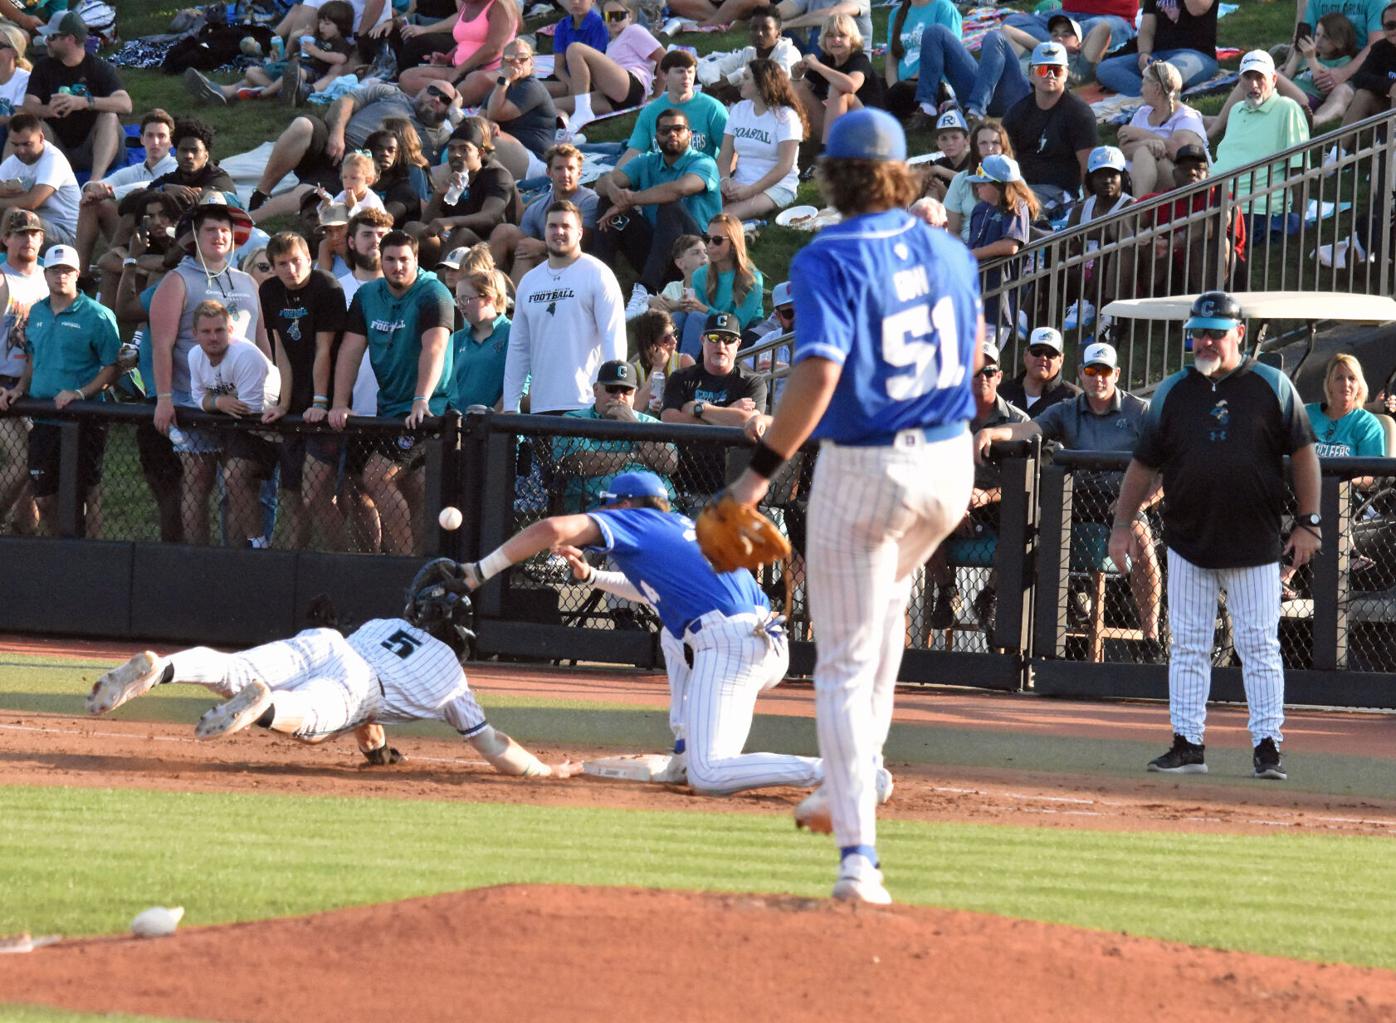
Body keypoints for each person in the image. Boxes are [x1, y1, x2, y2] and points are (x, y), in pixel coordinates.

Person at [725, 110, 978, 904]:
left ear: (831, 175)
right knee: (885, 622)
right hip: (949, 458)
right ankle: (852, 777)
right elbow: (970, 357)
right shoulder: (948, 247)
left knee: (839, 661)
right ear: (904, 173)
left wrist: (757, 475)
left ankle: (858, 859)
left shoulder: (827, 252)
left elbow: (820, 372)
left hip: (869, 463)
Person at [457, 469, 835, 797]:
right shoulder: (680, 528)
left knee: (711, 775)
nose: (600, 514)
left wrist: (477, 572)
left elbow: (551, 528)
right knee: (674, 635)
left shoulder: (635, 521)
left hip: (731, 645)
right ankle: (685, 750)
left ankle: (839, 773)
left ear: (624, 506)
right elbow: (654, 591)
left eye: (605, 507)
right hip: (759, 643)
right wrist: (591, 576)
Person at [84, 565, 579, 779]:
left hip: (329, 643)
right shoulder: (453, 676)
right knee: (310, 723)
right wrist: (543, 769)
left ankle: (162, 668)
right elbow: (491, 744)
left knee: (234, 668)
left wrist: (378, 749)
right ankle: (265, 707)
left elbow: (366, 721)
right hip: (361, 687)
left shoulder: (386, 623)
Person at [1109, 290, 1321, 781]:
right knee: (1186, 644)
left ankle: (1268, 746)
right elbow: (1143, 465)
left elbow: (1305, 453)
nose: (1205, 341)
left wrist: (1309, 522)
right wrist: (1121, 525)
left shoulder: (1272, 384)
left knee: (1259, 645)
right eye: (1198, 333)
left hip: (1255, 542)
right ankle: (1187, 744)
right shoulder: (1172, 391)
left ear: (1239, 335)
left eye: (1216, 333)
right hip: (1187, 539)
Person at [975, 341, 1163, 659]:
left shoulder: (1140, 411)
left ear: (1116, 374)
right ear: (1081, 373)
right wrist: (990, 434)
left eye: (1104, 371)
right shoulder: (1066, 409)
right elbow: (1028, 429)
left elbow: (1167, 465)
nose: (1098, 378)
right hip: (1072, 498)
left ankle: (1151, 638)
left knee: (1143, 543)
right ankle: (1003, 613)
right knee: (1024, 521)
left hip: (1124, 500)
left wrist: (1140, 504)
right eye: (1091, 370)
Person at [149, 195, 267, 547]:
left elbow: (262, 340)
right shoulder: (177, 280)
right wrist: (165, 398)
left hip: (244, 403)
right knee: (197, 481)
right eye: (210, 230)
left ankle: (234, 559)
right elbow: (162, 345)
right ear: (196, 237)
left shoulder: (248, 282)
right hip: (192, 402)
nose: (219, 236)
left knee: (239, 482)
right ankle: (197, 558)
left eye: (224, 230)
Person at [329, 230, 454, 556]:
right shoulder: (367, 296)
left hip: (426, 410)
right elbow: (350, 350)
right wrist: (340, 402)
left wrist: (420, 400)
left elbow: (435, 347)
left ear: (415, 260)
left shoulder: (433, 293)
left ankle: (406, 563)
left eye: (404, 260)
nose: (398, 266)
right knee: (396, 487)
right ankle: (389, 559)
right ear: (380, 261)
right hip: (387, 408)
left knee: (378, 476)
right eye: (390, 260)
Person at [0, 242, 119, 537]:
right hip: (44, 417)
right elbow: (33, 356)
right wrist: (21, 387)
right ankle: (61, 548)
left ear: (77, 273)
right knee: (44, 495)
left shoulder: (98, 316)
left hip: (84, 418)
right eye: (54, 270)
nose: (60, 276)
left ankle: (92, 553)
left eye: (66, 270)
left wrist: (81, 393)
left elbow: (112, 367)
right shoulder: (37, 313)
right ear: (46, 274)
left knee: (87, 492)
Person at [924, 339, 1027, 636]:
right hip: (954, 501)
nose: (982, 377)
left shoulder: (1019, 422)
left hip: (1000, 502)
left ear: (999, 376)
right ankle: (947, 591)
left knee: (1025, 519)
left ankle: (989, 597)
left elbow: (1028, 483)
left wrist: (985, 496)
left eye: (989, 371)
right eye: (975, 371)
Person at [247, 79, 459, 214]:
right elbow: (344, 102)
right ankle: (262, 192)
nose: (436, 99)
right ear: (422, 89)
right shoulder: (390, 92)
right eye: (433, 91)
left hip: (353, 170)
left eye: (445, 100)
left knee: (305, 194)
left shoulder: (439, 136)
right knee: (303, 125)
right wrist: (337, 134)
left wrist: (456, 112)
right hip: (332, 143)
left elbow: (465, 145)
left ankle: (251, 219)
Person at [259, 230, 348, 550]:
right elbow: (280, 348)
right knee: (293, 495)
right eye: (282, 264)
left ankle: (344, 559)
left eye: (296, 261)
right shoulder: (269, 291)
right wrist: (284, 403)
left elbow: (325, 349)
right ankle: (296, 564)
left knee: (316, 494)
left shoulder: (326, 287)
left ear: (309, 258)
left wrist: (321, 402)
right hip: (295, 402)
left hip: (327, 399)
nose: (291, 270)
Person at [504, 200, 626, 413]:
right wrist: (510, 406)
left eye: (566, 226)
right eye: (552, 226)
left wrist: (612, 397)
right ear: (544, 231)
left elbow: (613, 339)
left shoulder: (598, 274)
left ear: (579, 232)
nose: (558, 231)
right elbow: (518, 348)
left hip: (586, 407)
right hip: (541, 407)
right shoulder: (529, 281)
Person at [186, 299, 284, 549]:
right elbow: (198, 397)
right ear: (194, 334)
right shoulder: (195, 356)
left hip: (269, 427)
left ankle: (260, 545)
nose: (213, 338)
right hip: (236, 427)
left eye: (219, 330)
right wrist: (220, 402)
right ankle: (244, 549)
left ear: (230, 330)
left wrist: (218, 403)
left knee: (236, 478)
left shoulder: (245, 356)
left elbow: (248, 408)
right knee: (233, 486)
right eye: (206, 332)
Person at [595, 108, 722, 295]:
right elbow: (602, 183)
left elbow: (680, 189)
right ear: (656, 137)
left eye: (678, 129)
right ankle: (598, 283)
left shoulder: (704, 163)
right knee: (606, 203)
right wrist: (614, 192)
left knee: (670, 206)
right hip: (656, 249)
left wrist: (630, 200)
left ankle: (644, 289)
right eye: (665, 131)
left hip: (697, 251)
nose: (672, 134)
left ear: (689, 133)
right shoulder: (646, 161)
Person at [661, 311, 767, 500]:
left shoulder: (752, 383)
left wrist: (699, 409)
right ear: (702, 340)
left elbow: (747, 422)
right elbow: (669, 419)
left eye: (728, 339)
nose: (721, 345)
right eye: (714, 337)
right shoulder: (682, 378)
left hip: (733, 485)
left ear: (738, 344)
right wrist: (729, 413)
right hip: (685, 480)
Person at [552, 360, 678, 511]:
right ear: (596, 389)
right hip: (596, 507)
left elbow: (669, 464)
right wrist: (635, 456)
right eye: (612, 389)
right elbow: (578, 463)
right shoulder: (575, 420)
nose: (619, 396)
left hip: (655, 509)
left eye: (626, 391)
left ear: (634, 395)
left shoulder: (650, 423)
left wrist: (633, 425)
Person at [21, 11, 132, 182]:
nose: (47, 42)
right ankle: (45, 180)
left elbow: (125, 104)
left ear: (69, 39)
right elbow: (28, 104)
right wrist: (47, 109)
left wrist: (83, 102)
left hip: (95, 149)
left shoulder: (98, 68)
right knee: (37, 124)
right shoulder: (43, 67)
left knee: (109, 117)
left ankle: (95, 181)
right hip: (59, 148)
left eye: (51, 37)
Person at [1211, 50, 1309, 241]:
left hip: (1254, 209)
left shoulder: (1287, 108)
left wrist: (1298, 217)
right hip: (1216, 199)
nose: (1253, 84)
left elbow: (1299, 169)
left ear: (1273, 79)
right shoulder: (1236, 110)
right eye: (1247, 77)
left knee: (1197, 234)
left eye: (1259, 77)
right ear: (1240, 81)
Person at [1134, 143, 1246, 294]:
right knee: (1143, 246)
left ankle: (1206, 309)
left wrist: (1169, 243)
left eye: (1199, 168)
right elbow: (1126, 221)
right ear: (1175, 173)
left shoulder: (1222, 196)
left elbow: (1213, 225)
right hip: (1178, 273)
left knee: (1202, 243)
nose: (1192, 172)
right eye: (1185, 168)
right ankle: (1116, 312)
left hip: (1225, 276)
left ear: (1208, 173)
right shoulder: (1161, 200)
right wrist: (1142, 236)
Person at [1003, 41, 1099, 216]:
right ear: (1031, 74)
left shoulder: (1080, 114)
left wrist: (1089, 214)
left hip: (1060, 194)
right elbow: (1003, 158)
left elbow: (1089, 168)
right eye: (1043, 69)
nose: (1049, 75)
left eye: (1056, 70)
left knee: (1020, 213)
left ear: (1066, 74)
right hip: (1020, 188)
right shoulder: (1016, 113)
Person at [74, 109, 177, 272]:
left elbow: (153, 185)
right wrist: (92, 188)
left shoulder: (175, 168)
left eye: (161, 136)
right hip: (132, 233)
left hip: (162, 237)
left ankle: (123, 264)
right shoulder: (136, 169)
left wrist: (111, 192)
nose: (155, 142)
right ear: (142, 139)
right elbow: (101, 184)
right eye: (150, 136)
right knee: (92, 204)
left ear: (171, 142)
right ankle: (81, 274)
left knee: (111, 204)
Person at [489, 143, 599, 284]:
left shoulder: (589, 200)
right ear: (549, 172)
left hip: (577, 265)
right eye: (559, 168)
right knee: (504, 231)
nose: (565, 174)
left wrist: (541, 246)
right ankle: (485, 289)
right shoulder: (538, 204)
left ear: (579, 172)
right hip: (547, 260)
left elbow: (582, 243)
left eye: (571, 168)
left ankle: (513, 302)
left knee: (527, 254)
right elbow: (525, 242)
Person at [415, 118, 519, 262]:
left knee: (461, 233)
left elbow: (490, 216)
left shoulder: (497, 176)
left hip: (490, 246)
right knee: (413, 228)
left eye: (464, 149)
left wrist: (452, 221)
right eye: (451, 149)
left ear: (480, 153)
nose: (456, 154)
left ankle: (446, 280)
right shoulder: (455, 179)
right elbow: (427, 223)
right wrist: (439, 194)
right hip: (452, 242)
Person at [0, 208, 45, 532]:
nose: (28, 239)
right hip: (3, 382)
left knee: (38, 464)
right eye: (20, 233)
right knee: (23, 461)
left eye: (33, 233)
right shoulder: (2, 278)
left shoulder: (51, 276)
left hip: (36, 382)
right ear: (5, 239)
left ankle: (21, 535)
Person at [553, 0, 663, 132]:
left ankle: (583, 111)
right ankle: (566, 132)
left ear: (630, 16)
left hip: (632, 85)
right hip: (614, 97)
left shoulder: (634, 30)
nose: (613, 20)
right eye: (608, 16)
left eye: (619, 15)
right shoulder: (611, 45)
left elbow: (664, 58)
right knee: (551, 105)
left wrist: (657, 94)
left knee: (575, 48)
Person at [717, 59, 805, 222]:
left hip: (777, 186)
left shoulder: (786, 116)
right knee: (704, 208)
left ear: (762, 84)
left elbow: (785, 166)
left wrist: (751, 191)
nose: (739, 82)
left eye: (746, 77)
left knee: (723, 217)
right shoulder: (739, 110)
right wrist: (724, 180)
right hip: (739, 183)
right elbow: (725, 154)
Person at [964, 154, 1037, 345]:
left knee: (985, 360)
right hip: (973, 291)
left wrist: (971, 255)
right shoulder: (980, 209)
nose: (977, 186)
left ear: (999, 185)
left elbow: (1011, 245)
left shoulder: (1016, 206)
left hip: (997, 296)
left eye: (983, 183)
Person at [397, 0, 518, 105]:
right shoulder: (466, 6)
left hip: (489, 71)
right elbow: (464, 40)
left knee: (478, 79)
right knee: (407, 77)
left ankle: (440, 99)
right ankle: (445, 98)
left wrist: (459, 71)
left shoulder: (500, 6)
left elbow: (494, 48)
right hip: (458, 69)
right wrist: (447, 58)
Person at [1115, 60, 1208, 196]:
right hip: (1138, 179)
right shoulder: (1142, 113)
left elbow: (1180, 152)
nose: (1141, 90)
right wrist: (1146, 143)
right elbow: (1123, 150)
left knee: (1144, 152)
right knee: (1143, 150)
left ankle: (1137, 210)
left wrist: (1141, 135)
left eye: (1144, 84)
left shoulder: (1186, 117)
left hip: (1185, 183)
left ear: (1157, 88)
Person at [678, 212, 765, 355]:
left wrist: (704, 310)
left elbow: (739, 323)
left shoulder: (752, 278)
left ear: (733, 243)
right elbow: (695, 311)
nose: (709, 245)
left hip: (741, 335)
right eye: (707, 238)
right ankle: (663, 366)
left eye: (717, 240)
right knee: (678, 317)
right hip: (707, 333)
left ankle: (683, 369)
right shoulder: (700, 275)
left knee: (696, 318)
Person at [620, 50, 729, 164]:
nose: (686, 77)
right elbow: (635, 151)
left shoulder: (712, 108)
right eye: (680, 72)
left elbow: (731, 151)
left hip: (700, 175)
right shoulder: (650, 112)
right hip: (662, 175)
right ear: (664, 75)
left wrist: (721, 178)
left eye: (690, 72)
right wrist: (614, 178)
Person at [792, 15, 885, 145]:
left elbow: (851, 85)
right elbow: (801, 89)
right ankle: (789, 138)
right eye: (830, 36)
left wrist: (818, 66)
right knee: (797, 88)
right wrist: (797, 73)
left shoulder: (859, 59)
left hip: (871, 129)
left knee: (839, 90)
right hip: (841, 127)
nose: (836, 40)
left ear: (852, 39)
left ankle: (828, 154)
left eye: (842, 35)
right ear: (824, 39)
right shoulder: (827, 59)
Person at [1095, 0, 1220, 96]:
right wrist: (1144, 53)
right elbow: (1146, 30)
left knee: (1166, 74)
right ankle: (1152, 94)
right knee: (1106, 68)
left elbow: (1197, 9)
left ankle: (1155, 91)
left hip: (1196, 55)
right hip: (1158, 54)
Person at [0, 110, 79, 245]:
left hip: (65, 236)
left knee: (15, 215)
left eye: (26, 144)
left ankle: (3, 259)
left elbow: (32, 202)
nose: (21, 150)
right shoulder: (13, 161)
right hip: (34, 227)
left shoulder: (53, 159)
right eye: (15, 144)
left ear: (41, 138)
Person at [481, 38, 557, 167]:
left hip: (534, 156)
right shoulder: (501, 88)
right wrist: (489, 123)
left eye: (522, 58)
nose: (516, 62)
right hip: (511, 150)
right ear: (502, 64)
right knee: (474, 132)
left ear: (531, 63)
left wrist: (504, 79)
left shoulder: (531, 87)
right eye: (510, 58)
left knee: (489, 139)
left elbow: (495, 113)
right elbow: (480, 118)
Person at [698, 7, 801, 100]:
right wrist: (714, 85)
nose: (759, 33)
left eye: (766, 28)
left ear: (778, 33)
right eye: (754, 28)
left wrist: (730, 80)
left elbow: (773, 77)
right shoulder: (748, 53)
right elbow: (709, 67)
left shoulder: (789, 52)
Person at [883, 0, 961, 114]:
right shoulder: (896, 14)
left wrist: (907, 83)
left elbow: (949, 53)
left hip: (934, 86)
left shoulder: (943, 8)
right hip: (902, 88)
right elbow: (891, 62)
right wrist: (893, 88)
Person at [448, 268, 511, 410]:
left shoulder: (512, 334)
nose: (460, 305)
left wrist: (494, 418)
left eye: (466, 299)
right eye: (457, 299)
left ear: (489, 298)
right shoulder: (457, 339)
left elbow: (521, 384)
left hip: (499, 427)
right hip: (460, 426)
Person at [1307, 352, 1386, 458]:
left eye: (1352, 378)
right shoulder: (1306, 415)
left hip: (1349, 475)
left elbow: (1369, 472)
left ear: (1359, 386)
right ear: (1329, 384)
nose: (1346, 384)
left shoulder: (1368, 425)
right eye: (1339, 378)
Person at [945, 120, 1013, 240]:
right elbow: (952, 231)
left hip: (1002, 252)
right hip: (966, 249)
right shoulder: (960, 180)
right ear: (975, 147)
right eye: (983, 143)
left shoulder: (1014, 179)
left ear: (1003, 147)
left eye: (995, 142)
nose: (990, 148)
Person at [997, 326, 1080, 417]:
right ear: (1025, 354)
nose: (1043, 358)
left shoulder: (1074, 399)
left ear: (1061, 360)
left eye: (1050, 353)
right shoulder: (1002, 393)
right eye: (1036, 351)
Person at [629, 308, 694, 413]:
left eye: (674, 333)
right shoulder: (634, 369)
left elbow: (692, 405)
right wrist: (658, 368)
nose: (674, 341)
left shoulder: (684, 362)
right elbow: (635, 409)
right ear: (650, 344)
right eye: (666, 339)